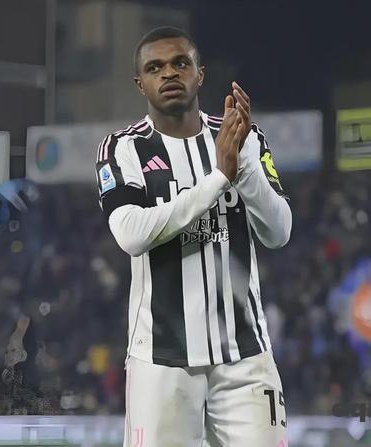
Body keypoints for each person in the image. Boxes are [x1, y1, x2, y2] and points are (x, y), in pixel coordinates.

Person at [95, 26, 291, 447]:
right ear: (140, 84)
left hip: (245, 356)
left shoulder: (242, 137)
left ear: (200, 74)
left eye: (180, 63)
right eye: (155, 67)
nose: (169, 73)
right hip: (161, 360)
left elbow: (279, 232)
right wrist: (219, 178)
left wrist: (244, 167)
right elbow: (131, 234)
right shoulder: (123, 148)